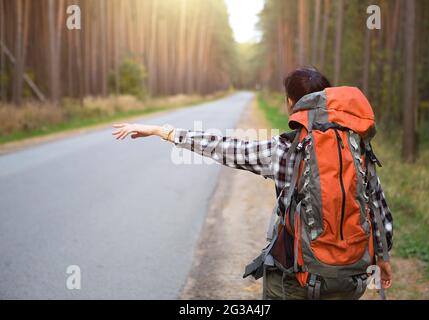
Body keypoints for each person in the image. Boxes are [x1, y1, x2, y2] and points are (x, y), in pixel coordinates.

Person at [111, 67, 393, 300]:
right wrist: (383, 257)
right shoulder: (356, 147)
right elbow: (378, 207)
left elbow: (224, 148)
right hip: (348, 277)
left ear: (291, 104)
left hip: (294, 278)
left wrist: (164, 131)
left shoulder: (283, 151)